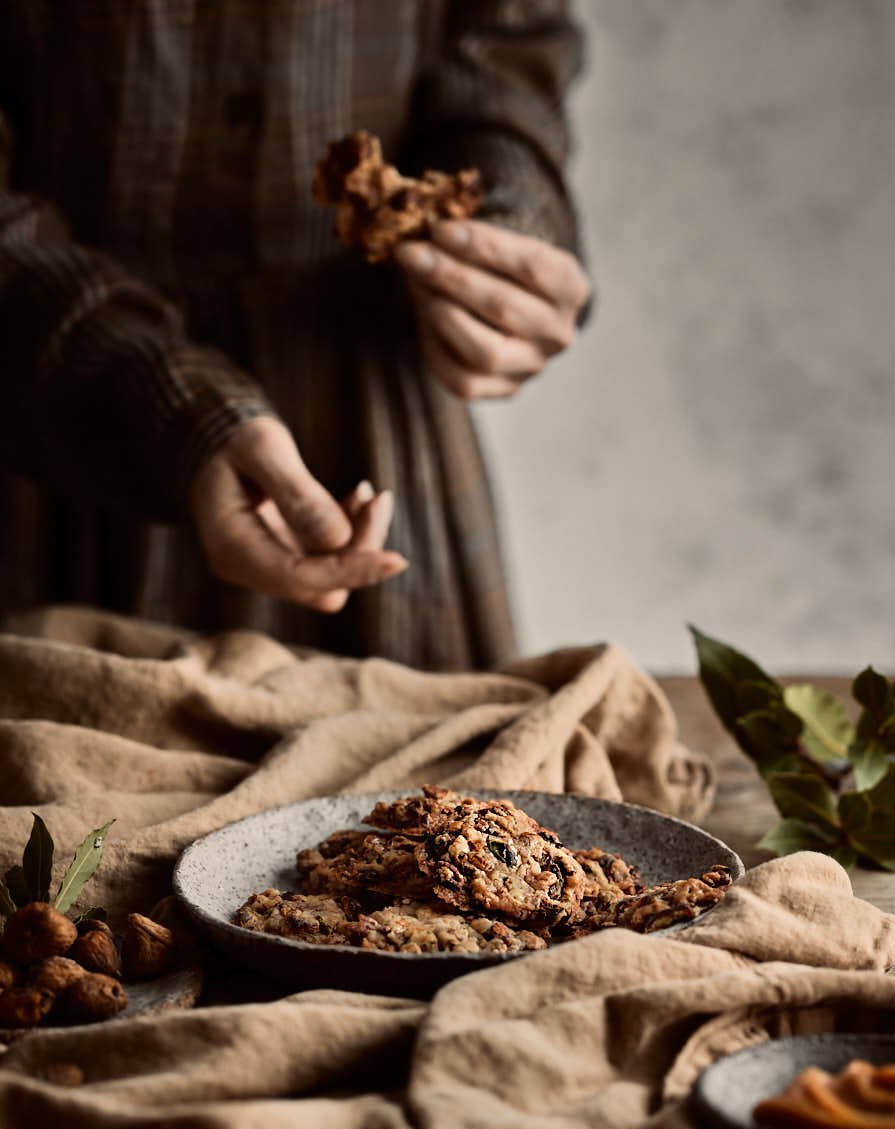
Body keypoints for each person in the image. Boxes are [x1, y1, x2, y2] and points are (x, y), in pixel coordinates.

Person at [0, 1, 591, 670]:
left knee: (438, 764)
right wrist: (164, 397)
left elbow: (504, 48)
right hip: (50, 428)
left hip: (372, 422)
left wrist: (512, 222)